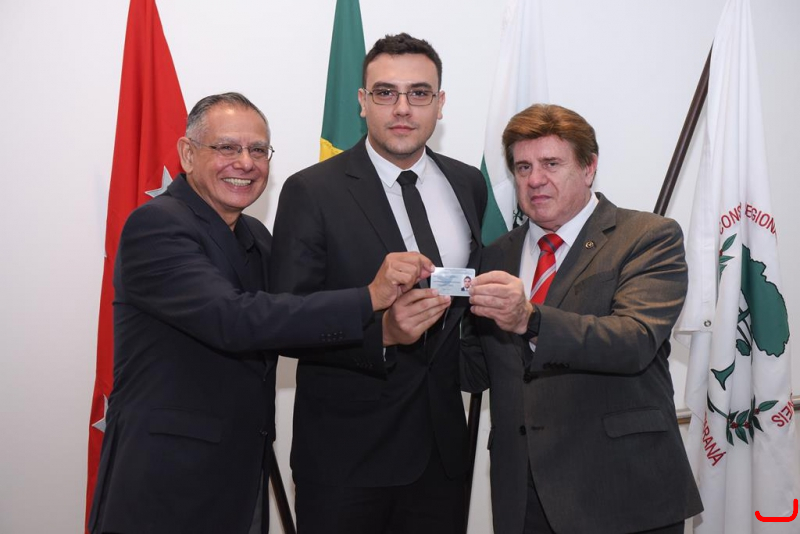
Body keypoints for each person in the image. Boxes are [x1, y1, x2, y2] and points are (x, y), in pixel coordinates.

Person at [88, 92, 433, 534]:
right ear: (187, 154)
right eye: (227, 147)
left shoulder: (254, 235)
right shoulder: (157, 225)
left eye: (258, 150)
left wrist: (385, 331)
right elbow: (234, 319)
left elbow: (289, 323)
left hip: (239, 475)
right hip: (165, 480)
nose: (246, 163)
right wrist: (369, 296)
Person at [270, 34, 487, 534]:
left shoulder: (467, 184)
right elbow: (286, 320)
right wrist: (382, 333)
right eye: (386, 92)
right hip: (347, 458)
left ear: (440, 103)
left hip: (442, 455)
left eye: (419, 93)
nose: (403, 108)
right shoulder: (311, 190)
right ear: (362, 102)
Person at [461, 103, 702, 534]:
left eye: (551, 164)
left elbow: (634, 339)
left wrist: (531, 318)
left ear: (589, 168)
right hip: (523, 496)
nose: (535, 179)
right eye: (523, 167)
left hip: (622, 491)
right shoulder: (495, 256)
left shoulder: (648, 237)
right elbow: (478, 368)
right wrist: (414, 325)